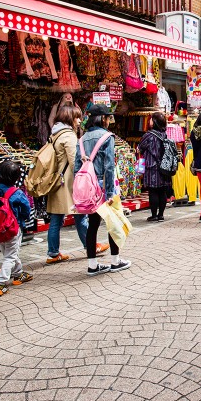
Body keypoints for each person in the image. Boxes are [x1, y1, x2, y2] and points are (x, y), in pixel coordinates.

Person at [75, 104, 131, 275]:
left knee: (92, 225)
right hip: (103, 186)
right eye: (108, 117)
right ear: (102, 119)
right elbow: (109, 167)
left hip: (89, 187)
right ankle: (115, 261)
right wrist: (109, 193)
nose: (109, 120)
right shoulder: (107, 137)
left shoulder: (82, 139)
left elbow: (77, 167)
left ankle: (92, 265)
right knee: (112, 223)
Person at [46, 104, 89, 263]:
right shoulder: (69, 136)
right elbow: (74, 162)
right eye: (77, 117)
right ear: (69, 117)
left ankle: (53, 253)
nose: (79, 121)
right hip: (69, 183)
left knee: (56, 219)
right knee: (80, 215)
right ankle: (90, 245)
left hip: (57, 181)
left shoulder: (55, 134)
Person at [0, 160, 33, 296]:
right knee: (10, 256)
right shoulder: (17, 193)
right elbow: (26, 208)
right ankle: (1, 283)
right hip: (13, 228)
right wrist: (24, 218)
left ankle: (18, 274)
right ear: (17, 178)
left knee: (8, 253)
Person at [138, 111, 174, 222]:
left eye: (151, 119)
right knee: (162, 191)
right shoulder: (165, 134)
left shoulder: (148, 135)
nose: (149, 121)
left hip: (152, 167)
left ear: (154, 122)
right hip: (164, 167)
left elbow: (140, 148)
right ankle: (161, 215)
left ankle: (154, 215)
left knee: (153, 191)